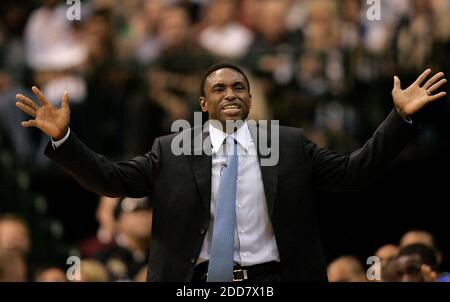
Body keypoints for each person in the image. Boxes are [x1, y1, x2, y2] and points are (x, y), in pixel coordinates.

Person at [15, 62, 447, 282]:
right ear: (203, 104)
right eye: (218, 89)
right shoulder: (172, 149)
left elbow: (355, 172)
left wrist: (399, 120)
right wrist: (65, 141)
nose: (230, 93)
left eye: (238, 87)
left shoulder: (290, 145)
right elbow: (110, 179)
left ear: (250, 98)